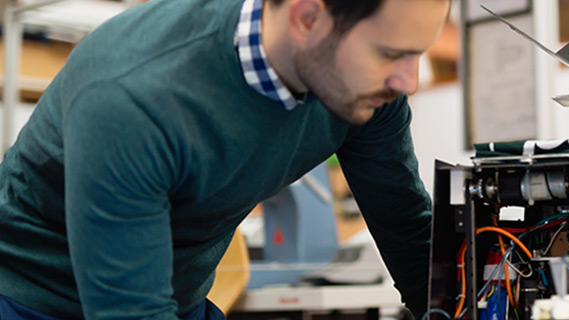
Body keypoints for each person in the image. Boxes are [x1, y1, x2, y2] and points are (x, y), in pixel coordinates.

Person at [0, 0, 449, 318]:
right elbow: (131, 310)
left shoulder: (369, 92)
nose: (408, 80)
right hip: (34, 297)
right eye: (391, 53)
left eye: (417, 53)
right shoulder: (134, 95)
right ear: (308, 17)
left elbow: (409, 237)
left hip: (175, 296)